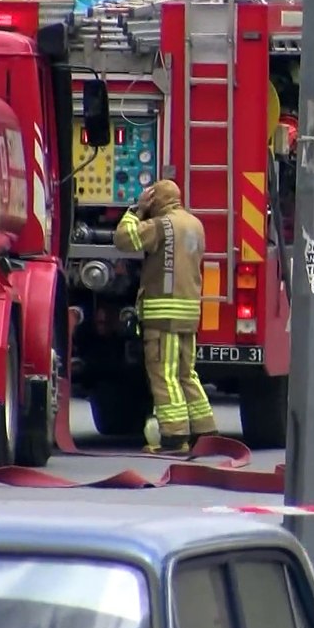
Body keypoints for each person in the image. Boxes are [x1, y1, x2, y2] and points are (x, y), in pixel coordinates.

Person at [113, 179, 218, 454]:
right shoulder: (195, 224)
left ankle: (174, 438)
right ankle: (206, 432)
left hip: (163, 318)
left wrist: (135, 210)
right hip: (188, 314)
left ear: (156, 200)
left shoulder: (162, 225)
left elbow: (125, 239)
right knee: (187, 374)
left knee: (164, 375)